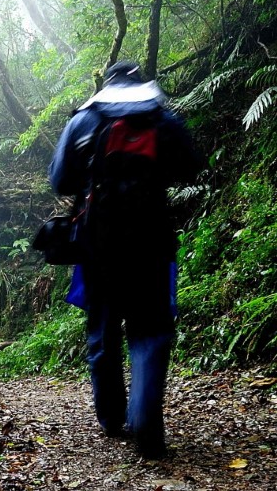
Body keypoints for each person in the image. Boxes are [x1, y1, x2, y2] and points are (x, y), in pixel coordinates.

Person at [49, 60, 203, 459]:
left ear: (107, 83)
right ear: (140, 83)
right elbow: (192, 167)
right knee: (150, 331)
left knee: (103, 329)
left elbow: (60, 180)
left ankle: (111, 417)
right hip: (152, 241)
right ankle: (146, 421)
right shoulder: (162, 118)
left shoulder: (85, 120)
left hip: (98, 244)